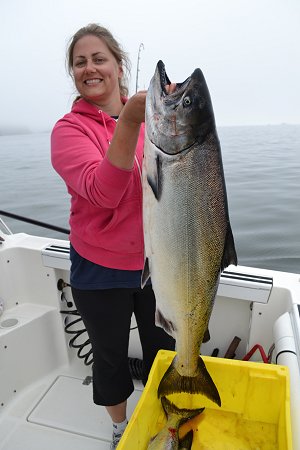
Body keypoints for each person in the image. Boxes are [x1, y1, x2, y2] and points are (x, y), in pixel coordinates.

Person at [51, 23, 175, 449]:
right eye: (80, 62)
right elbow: (102, 194)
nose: (90, 68)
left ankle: (169, 415)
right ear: (74, 73)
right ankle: (121, 427)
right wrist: (130, 122)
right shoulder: (69, 131)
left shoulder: (155, 121)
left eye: (98, 58)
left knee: (165, 349)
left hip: (157, 264)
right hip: (99, 269)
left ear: (118, 66)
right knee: (109, 357)